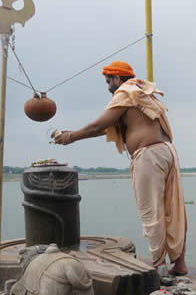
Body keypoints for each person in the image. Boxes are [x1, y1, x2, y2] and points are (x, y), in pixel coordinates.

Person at [53, 61, 188, 275]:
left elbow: (98, 125)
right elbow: (109, 126)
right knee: (172, 210)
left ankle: (158, 267)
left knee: (151, 211)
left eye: (109, 82)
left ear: (117, 78)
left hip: (149, 155)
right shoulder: (140, 91)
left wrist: (71, 137)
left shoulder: (125, 92)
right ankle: (179, 264)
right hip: (166, 151)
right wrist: (76, 132)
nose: (108, 87)